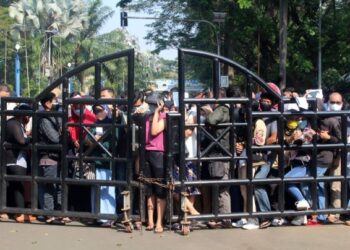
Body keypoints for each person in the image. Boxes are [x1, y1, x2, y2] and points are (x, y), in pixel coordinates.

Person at [4, 104, 35, 222]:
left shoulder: (16, 123)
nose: (29, 117)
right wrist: (30, 139)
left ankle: (15, 212)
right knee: (18, 186)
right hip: (14, 160)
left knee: (14, 186)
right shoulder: (14, 123)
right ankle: (20, 213)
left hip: (15, 159)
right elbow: (21, 140)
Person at [88, 104, 116, 227]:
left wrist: (100, 140)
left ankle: (108, 216)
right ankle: (97, 215)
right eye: (95, 111)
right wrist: (93, 140)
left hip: (107, 161)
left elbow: (114, 142)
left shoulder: (112, 123)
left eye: (100, 110)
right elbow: (87, 138)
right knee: (96, 189)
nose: (98, 113)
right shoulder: (94, 124)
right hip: (96, 161)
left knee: (107, 189)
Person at [38, 92, 64, 224]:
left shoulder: (54, 116)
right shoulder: (44, 119)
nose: (57, 102)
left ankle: (57, 212)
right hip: (48, 156)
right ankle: (49, 214)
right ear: (47, 103)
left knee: (58, 186)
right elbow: (55, 138)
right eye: (55, 100)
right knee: (49, 186)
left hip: (56, 156)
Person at [144, 99, 168, 233]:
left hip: (159, 154)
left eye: (155, 104)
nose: (152, 106)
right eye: (150, 104)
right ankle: (150, 220)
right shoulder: (146, 117)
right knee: (149, 189)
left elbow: (154, 131)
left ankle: (159, 221)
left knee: (160, 189)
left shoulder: (164, 117)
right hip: (146, 153)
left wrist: (158, 112)